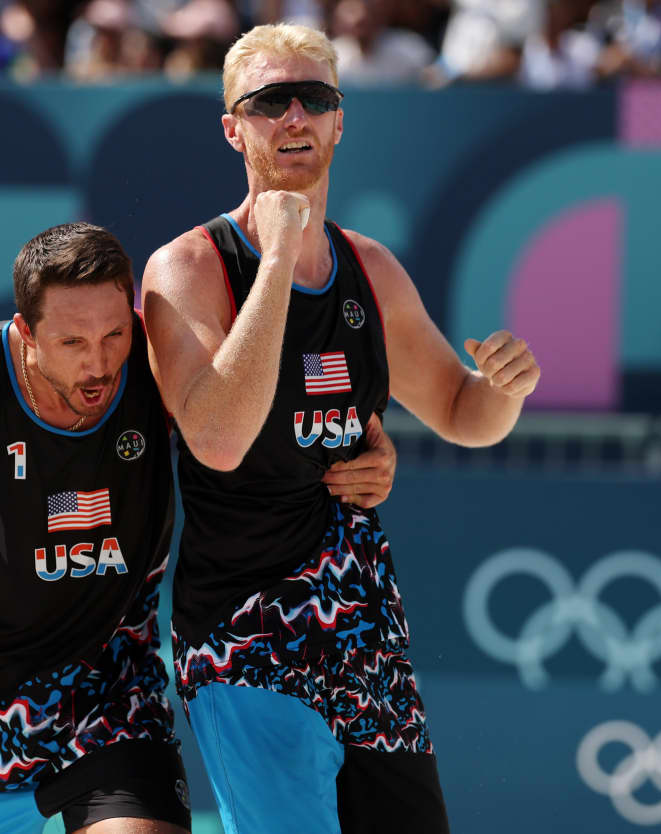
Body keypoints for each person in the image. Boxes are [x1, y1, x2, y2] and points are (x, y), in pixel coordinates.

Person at [0, 222, 397, 833]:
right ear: (27, 333)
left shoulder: (157, 357)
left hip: (113, 700)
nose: (100, 363)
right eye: (73, 343)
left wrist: (371, 446)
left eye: (114, 335)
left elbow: (271, 411)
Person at [141, 23, 540, 834]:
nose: (294, 118)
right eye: (268, 103)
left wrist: (507, 391)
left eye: (314, 99)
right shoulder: (189, 268)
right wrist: (280, 258)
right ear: (233, 128)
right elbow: (217, 439)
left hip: (361, 624)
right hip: (242, 630)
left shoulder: (371, 269)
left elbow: (464, 414)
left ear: (339, 120)